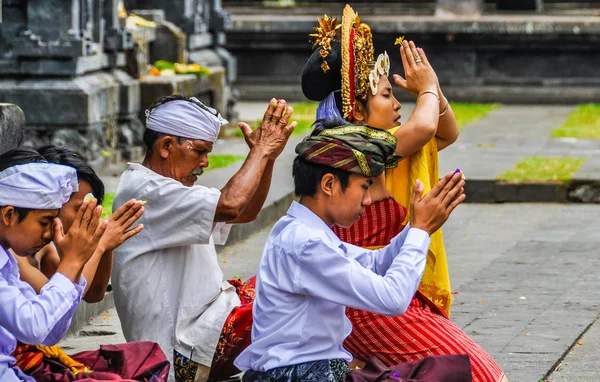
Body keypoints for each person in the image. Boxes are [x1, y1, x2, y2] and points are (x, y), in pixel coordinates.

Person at [301, 5, 506, 381]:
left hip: (388, 293)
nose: (397, 104)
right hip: (366, 303)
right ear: (357, 112)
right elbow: (427, 127)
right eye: (385, 95)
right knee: (479, 373)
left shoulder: (377, 145)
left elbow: (446, 132)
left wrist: (433, 90)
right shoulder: (361, 150)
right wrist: (427, 88)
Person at [235, 119, 470, 382]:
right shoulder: (304, 242)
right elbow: (392, 299)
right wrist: (420, 231)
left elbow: (374, 263)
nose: (367, 200)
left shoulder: (302, 230)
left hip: (315, 371)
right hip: (298, 376)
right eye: (364, 186)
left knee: (443, 370)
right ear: (329, 184)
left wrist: (415, 225)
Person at [111, 95, 296, 382]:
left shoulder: (164, 187)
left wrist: (267, 157)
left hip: (201, 332)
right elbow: (232, 205)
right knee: (296, 298)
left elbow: (245, 212)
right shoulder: (147, 191)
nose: (205, 162)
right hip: (178, 352)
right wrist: (259, 152)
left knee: (293, 281)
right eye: (199, 151)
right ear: (166, 146)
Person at [7, 147, 169, 381]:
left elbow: (93, 294)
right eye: (79, 208)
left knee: (147, 355)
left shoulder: (46, 248)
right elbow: (54, 312)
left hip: (43, 356)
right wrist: (98, 246)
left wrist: (104, 246)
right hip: (23, 365)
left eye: (91, 206)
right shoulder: (13, 256)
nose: (86, 215)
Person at [0, 149, 106, 381]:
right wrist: (72, 262)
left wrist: (78, 263)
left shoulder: (6, 261)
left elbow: (48, 333)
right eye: (45, 222)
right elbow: (33, 326)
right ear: (9, 215)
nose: (50, 233)